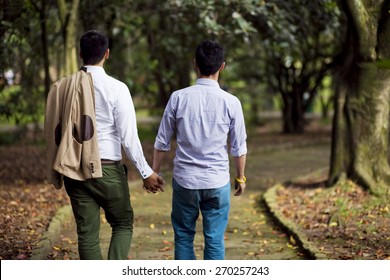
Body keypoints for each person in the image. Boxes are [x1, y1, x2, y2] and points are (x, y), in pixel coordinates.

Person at [44, 30, 164, 260]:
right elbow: (129, 138)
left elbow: (53, 131)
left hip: (74, 169)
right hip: (108, 170)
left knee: (87, 234)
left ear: (80, 54)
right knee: (122, 223)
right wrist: (146, 173)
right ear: (107, 54)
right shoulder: (117, 88)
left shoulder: (62, 87)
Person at [152, 40, 247, 260]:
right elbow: (238, 146)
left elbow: (162, 141)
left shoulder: (178, 97)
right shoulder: (231, 102)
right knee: (214, 239)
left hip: (186, 181)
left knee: (184, 236)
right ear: (222, 66)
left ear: (195, 64)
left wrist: (154, 172)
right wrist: (240, 178)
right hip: (217, 182)